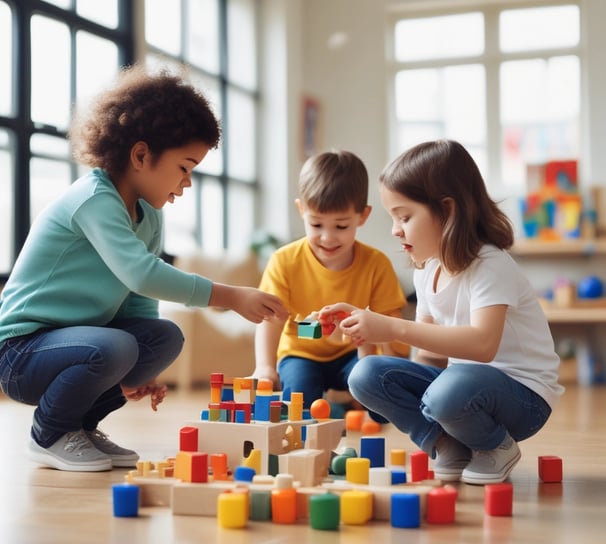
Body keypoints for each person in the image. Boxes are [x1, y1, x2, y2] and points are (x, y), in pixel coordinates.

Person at [0, 65, 288, 473]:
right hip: (21, 352)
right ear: (140, 155)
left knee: (163, 338)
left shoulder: (149, 217)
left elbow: (137, 300)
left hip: (77, 344)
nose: (186, 183)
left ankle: (79, 426)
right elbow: (142, 273)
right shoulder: (94, 200)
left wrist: (139, 372)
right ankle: (49, 434)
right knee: (116, 347)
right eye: (184, 167)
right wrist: (230, 296)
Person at [319, 139, 564, 485]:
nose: (395, 229)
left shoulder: (489, 264)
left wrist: (392, 328)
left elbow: (483, 345)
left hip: (523, 399)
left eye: (404, 216)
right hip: (461, 390)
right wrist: (406, 390)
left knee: (447, 390)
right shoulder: (427, 270)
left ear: (447, 211)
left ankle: (497, 446)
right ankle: (447, 444)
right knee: (365, 375)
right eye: (393, 217)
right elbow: (430, 358)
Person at [252, 150, 408, 415]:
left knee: (379, 406)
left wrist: (369, 351)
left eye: (341, 226)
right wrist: (265, 366)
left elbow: (391, 326)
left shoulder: (376, 264)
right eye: (316, 224)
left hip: (353, 355)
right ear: (301, 210)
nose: (327, 238)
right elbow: (271, 319)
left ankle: (345, 403)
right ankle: (338, 405)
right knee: (299, 405)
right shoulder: (285, 260)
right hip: (300, 354)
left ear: (363, 216)